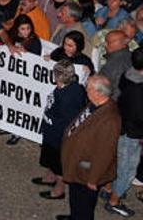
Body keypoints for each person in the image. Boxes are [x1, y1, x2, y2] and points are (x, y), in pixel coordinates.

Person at [57, 74, 121, 220]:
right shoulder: (94, 104)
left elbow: (105, 154)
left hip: (87, 172)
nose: (85, 90)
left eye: (88, 88)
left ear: (98, 93)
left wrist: (93, 179)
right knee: (75, 199)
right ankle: (74, 217)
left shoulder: (110, 120)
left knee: (84, 205)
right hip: (77, 167)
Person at [35, 60, 86, 201]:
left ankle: (59, 190)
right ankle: (50, 177)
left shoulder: (69, 95)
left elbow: (69, 121)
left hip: (59, 137)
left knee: (59, 164)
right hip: (51, 132)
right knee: (50, 157)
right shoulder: (69, 88)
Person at [104, 47, 143, 216]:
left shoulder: (127, 75)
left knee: (118, 162)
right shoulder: (138, 91)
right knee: (127, 170)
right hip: (130, 134)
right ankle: (114, 201)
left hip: (121, 127)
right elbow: (138, 117)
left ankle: (109, 188)